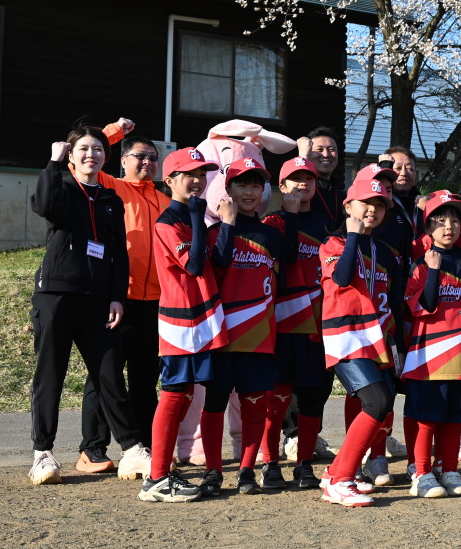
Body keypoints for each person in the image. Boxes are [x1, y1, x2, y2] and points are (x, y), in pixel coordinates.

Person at [27, 126, 152, 486]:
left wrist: (117, 296)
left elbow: (118, 253)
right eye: (82, 148)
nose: (91, 155)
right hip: (57, 294)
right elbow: (42, 206)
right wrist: (52, 164)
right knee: (51, 374)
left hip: (98, 299)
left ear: (105, 157)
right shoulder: (62, 187)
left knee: (109, 374)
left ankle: (132, 450)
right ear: (70, 154)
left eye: (97, 149)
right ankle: (42, 454)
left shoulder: (111, 199)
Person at [75, 120, 171, 475]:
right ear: (124, 160)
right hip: (118, 298)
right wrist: (114, 131)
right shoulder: (111, 186)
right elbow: (84, 161)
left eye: (153, 158)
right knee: (105, 374)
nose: (147, 162)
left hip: (156, 301)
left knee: (145, 378)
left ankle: (144, 447)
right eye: (140, 156)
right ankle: (92, 448)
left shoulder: (165, 200)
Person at [138, 147, 227, 502]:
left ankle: (179, 472)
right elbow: (194, 265)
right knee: (175, 394)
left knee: (194, 393)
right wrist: (196, 216)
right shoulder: (168, 221)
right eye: (189, 174)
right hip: (181, 322)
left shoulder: (194, 217)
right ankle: (157, 478)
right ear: (170, 179)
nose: (198, 180)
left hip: (203, 319)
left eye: (202, 174)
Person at [196, 158, 282, 497]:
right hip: (222, 335)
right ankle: (213, 471)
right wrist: (228, 224)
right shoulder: (214, 233)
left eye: (255, 185)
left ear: (263, 191)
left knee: (254, 406)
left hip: (259, 336)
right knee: (214, 404)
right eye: (241, 184)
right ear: (228, 189)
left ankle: (247, 470)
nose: (249, 191)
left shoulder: (272, 235)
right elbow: (216, 267)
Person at [318, 175, 402, 507]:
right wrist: (353, 235)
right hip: (345, 335)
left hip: (375, 336)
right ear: (348, 205)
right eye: (366, 202)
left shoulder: (382, 251)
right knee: (376, 402)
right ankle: (341, 480)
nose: (373, 209)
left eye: (380, 204)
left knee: (383, 403)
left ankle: (335, 473)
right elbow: (340, 278)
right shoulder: (334, 243)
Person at [261, 157, 336, 490]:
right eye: (295, 179)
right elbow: (287, 257)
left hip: (316, 328)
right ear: (282, 186)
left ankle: (304, 463)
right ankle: (270, 463)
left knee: (312, 399)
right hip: (281, 325)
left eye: (309, 179)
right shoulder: (271, 223)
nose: (303, 184)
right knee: (276, 399)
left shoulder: (327, 225)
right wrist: (290, 216)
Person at [401, 191, 461, 498]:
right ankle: (422, 474)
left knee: (454, 418)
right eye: (440, 220)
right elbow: (424, 305)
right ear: (427, 227)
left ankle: (449, 470)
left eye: (455, 221)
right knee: (427, 417)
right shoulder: (420, 264)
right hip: (428, 355)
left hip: (460, 353)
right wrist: (433, 270)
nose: (449, 227)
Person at [298, 127, 343, 233]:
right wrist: (303, 158)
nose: (326, 155)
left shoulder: (341, 194)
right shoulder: (301, 188)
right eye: (319, 150)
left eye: (331, 150)